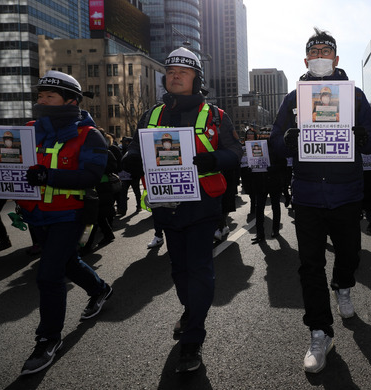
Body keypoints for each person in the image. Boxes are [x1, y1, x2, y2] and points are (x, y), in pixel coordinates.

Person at [269, 28, 371, 374]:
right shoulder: (293, 98)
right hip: (307, 195)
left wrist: (365, 137)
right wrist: (286, 141)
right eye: (314, 51)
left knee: (349, 254)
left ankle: (344, 285)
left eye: (325, 51)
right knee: (310, 265)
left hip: (347, 193)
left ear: (335, 59)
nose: (320, 56)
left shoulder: (355, 96)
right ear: (306, 60)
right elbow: (274, 142)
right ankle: (320, 332)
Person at [122, 47, 242, 372]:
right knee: (179, 270)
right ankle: (191, 311)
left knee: (200, 269)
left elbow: (235, 151)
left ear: (196, 78)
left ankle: (193, 339)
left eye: (183, 71)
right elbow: (135, 146)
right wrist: (130, 159)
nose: (175, 75)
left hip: (202, 207)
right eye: (171, 70)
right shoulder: (150, 115)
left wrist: (214, 159)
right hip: (165, 208)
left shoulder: (216, 116)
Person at [16, 70, 113, 375]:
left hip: (71, 214)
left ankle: (48, 339)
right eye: (40, 96)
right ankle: (99, 289)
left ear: (71, 101)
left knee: (48, 275)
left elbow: (91, 175)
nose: (41, 101)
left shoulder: (89, 135)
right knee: (68, 263)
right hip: (37, 215)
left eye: (49, 96)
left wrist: (50, 176)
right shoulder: (28, 130)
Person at [250, 138, 285, 244]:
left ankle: (275, 230)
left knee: (274, 206)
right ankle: (260, 233)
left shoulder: (276, 150)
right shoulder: (256, 150)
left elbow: (283, 165)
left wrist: (272, 168)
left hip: (273, 183)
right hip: (261, 183)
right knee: (259, 209)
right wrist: (251, 168)